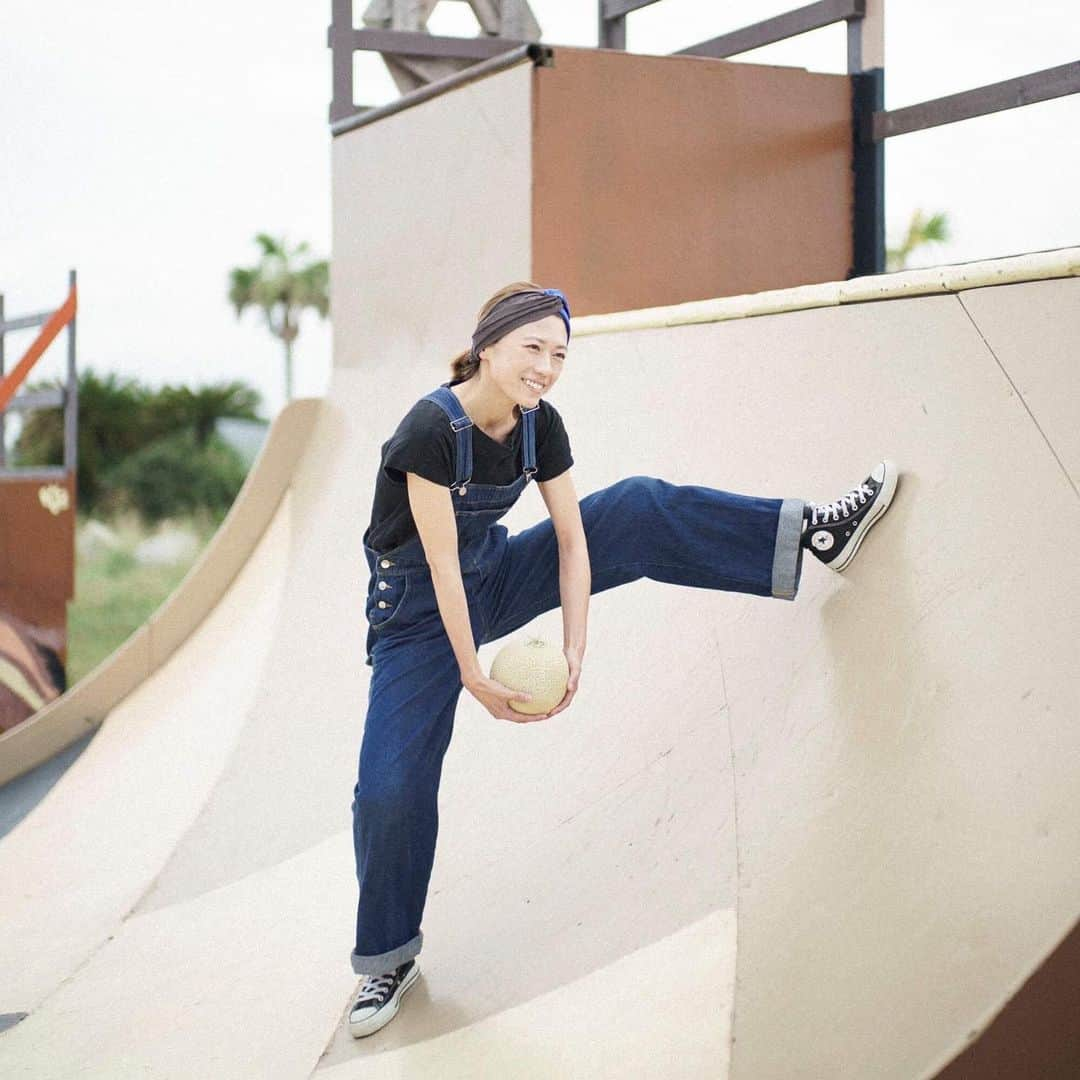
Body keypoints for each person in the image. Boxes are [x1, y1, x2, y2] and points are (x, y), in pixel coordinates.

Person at [348, 281, 899, 1037]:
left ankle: (809, 534)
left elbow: (574, 540)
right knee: (388, 787)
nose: (545, 367)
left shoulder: (541, 427)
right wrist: (473, 676)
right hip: (417, 614)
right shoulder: (429, 429)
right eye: (531, 348)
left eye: (559, 355)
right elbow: (441, 567)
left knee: (634, 506)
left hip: (497, 575)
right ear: (488, 344)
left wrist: (575, 649)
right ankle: (387, 961)